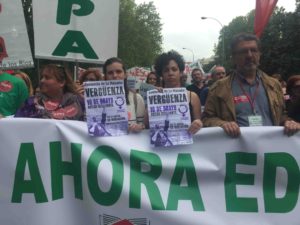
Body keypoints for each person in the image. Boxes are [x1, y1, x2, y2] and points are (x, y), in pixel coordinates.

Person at [202, 32, 300, 137]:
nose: (249, 55)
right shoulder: (218, 88)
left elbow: (281, 115)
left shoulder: (274, 85)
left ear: (259, 54)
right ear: (234, 57)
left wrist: (288, 122)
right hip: (237, 149)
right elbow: (207, 119)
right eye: (243, 51)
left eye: (253, 50)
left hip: (270, 148)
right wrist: (222, 124)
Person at [151, 50, 203, 134]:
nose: (170, 73)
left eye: (174, 69)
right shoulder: (154, 96)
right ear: (161, 74)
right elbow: (145, 124)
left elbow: (199, 121)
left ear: (181, 72)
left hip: (187, 144)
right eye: (166, 70)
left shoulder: (192, 96)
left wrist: (198, 123)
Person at [15, 64, 84, 120]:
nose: (42, 80)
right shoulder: (30, 103)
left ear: (62, 82)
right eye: (42, 77)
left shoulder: (79, 103)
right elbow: (18, 123)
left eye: (47, 78)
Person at [103, 57, 145, 133]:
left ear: (125, 75)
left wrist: (139, 127)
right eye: (110, 73)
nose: (115, 75)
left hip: (128, 144)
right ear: (105, 76)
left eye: (118, 71)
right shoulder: (97, 100)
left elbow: (142, 126)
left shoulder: (137, 99)